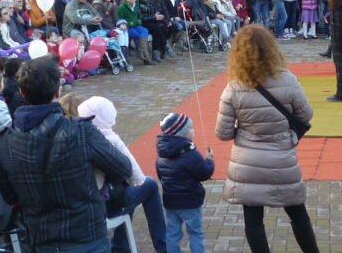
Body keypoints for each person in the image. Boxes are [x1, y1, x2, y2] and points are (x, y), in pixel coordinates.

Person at [0, 57, 132, 252]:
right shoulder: (81, 131)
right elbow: (122, 167)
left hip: (42, 240)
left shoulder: (6, 140)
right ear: (57, 91)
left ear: (22, 92)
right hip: (86, 238)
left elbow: (10, 195)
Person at [215, 25, 319, 253]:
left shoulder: (233, 88)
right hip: (282, 158)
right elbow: (306, 115)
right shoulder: (288, 79)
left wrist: (243, 131)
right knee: (298, 214)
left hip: (248, 163)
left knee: (253, 221)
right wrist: (288, 134)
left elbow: (222, 133)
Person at [77, 96, 167, 253]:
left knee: (125, 190)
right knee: (148, 185)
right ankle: (163, 246)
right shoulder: (109, 138)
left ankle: (121, 244)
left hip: (78, 204)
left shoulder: (71, 132)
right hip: (101, 206)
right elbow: (136, 176)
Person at [156, 113, 215, 253]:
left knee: (172, 233)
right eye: (190, 129)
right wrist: (209, 160)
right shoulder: (190, 154)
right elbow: (204, 173)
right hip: (190, 202)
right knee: (195, 233)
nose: (193, 130)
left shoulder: (161, 155)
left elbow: (160, 176)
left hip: (171, 202)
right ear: (181, 134)